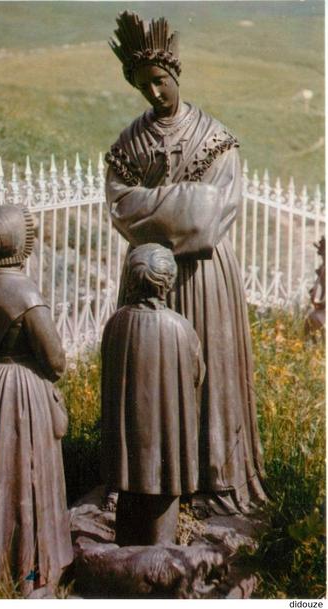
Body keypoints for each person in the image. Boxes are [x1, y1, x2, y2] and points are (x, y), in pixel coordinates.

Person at [105, 11, 267, 515]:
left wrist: (153, 206)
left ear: (175, 74)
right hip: (150, 282)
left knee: (208, 372)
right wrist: (181, 203)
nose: (153, 93)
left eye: (159, 80)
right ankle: (148, 481)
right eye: (142, 85)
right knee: (151, 376)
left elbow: (209, 220)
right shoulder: (129, 143)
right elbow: (120, 207)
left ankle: (213, 476)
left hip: (203, 278)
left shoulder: (216, 139)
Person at [0, 204, 73, 595]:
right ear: (22, 245)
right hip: (21, 394)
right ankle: (31, 576)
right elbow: (55, 360)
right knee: (27, 481)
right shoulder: (23, 291)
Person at [101, 243, 205, 545]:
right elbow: (197, 374)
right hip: (166, 439)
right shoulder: (180, 328)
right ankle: (159, 551)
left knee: (128, 492)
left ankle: (126, 548)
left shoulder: (116, 322)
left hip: (127, 436)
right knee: (164, 487)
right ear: (168, 283)